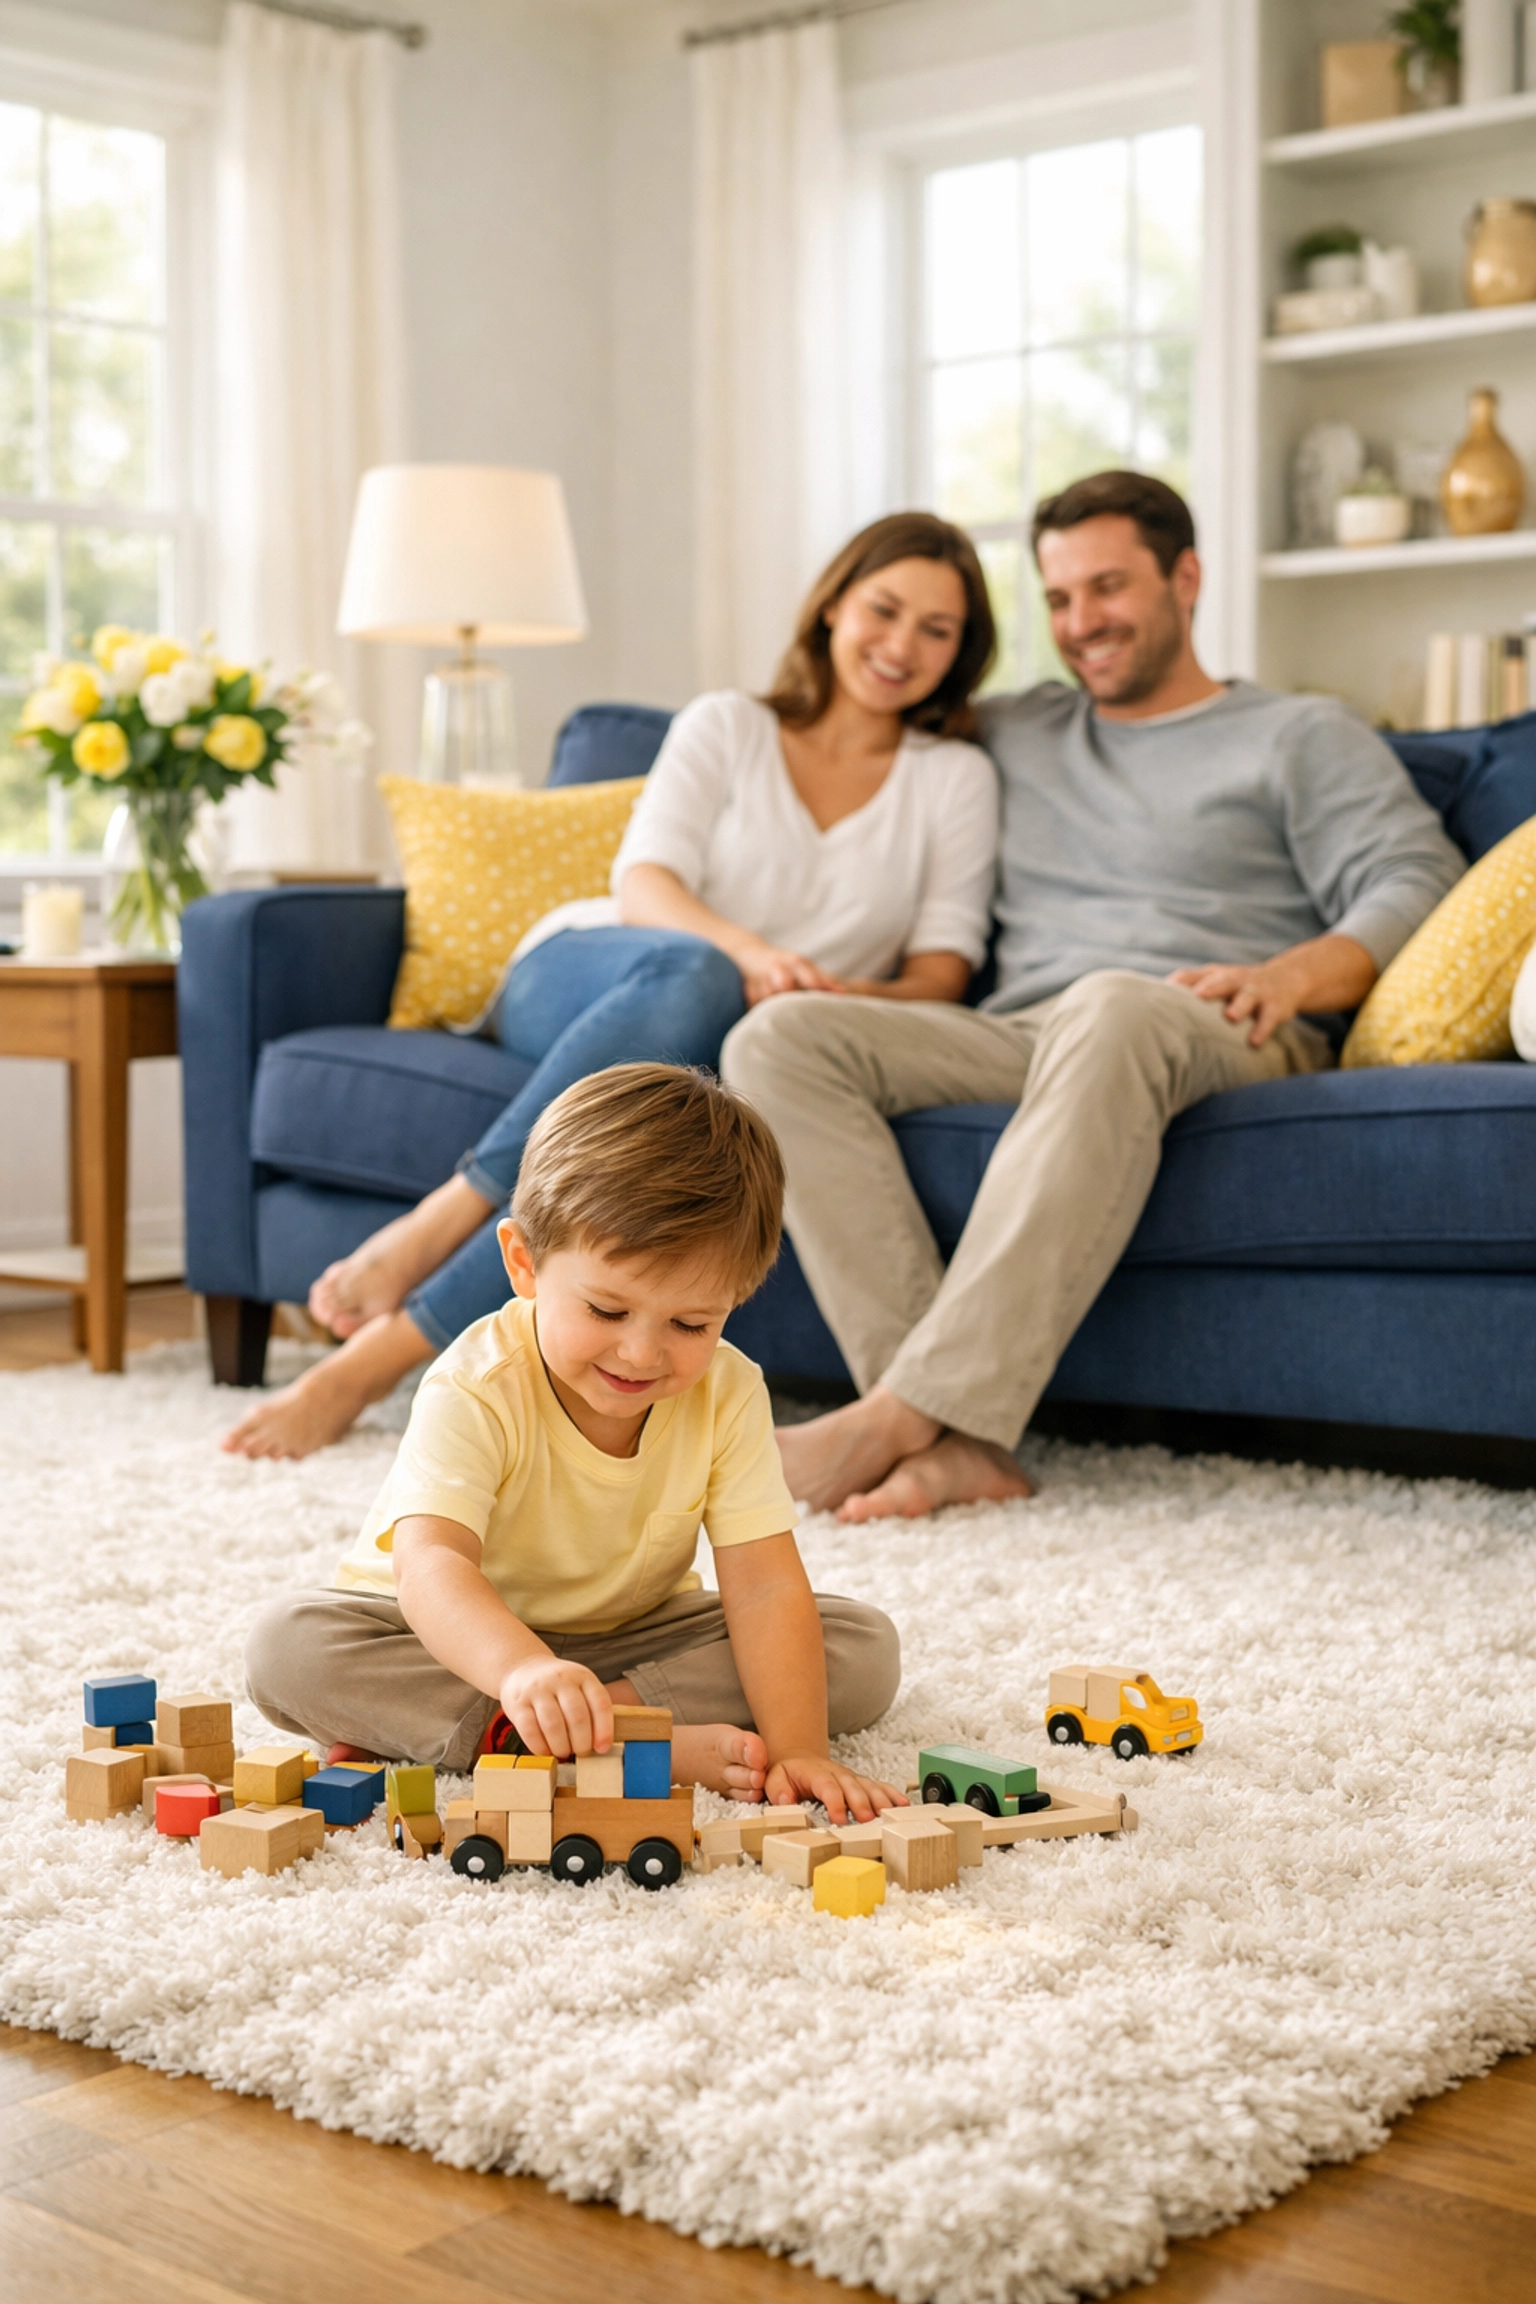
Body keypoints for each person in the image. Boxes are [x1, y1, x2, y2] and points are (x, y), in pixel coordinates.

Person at [722, 470, 1466, 1523]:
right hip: (1028, 1029)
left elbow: (1416, 880)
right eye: (1060, 599)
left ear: (1187, 577)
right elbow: (871, 697)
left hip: (1219, 1021)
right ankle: (959, 1435)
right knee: (778, 1040)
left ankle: (896, 1418)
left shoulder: (1300, 734)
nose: (1081, 623)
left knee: (1114, 1002)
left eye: (1108, 587)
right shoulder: (1018, 730)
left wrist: (1290, 977)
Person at [223, 510, 1000, 1460]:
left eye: (938, 630)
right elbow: (646, 885)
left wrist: (814, 999)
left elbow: (940, 975)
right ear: (833, 604)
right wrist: (751, 956)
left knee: (700, 1048)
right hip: (608, 967)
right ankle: (446, 1215)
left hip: (754, 1028)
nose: (902, 645)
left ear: (962, 654)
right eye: (885, 609)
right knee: (696, 976)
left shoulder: (954, 778)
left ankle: (368, 1363)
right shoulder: (731, 724)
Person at [243, 1064, 907, 1816]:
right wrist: (523, 1670)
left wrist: (800, 1751)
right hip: (456, 1638)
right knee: (287, 1649)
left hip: (631, 1638)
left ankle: (582, 1730)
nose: (641, 1355)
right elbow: (431, 1567)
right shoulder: (475, 1385)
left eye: (691, 1324)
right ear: (524, 1263)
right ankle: (557, 1730)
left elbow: (763, 1584)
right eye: (606, 1311)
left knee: (859, 1645)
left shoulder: (729, 1391)